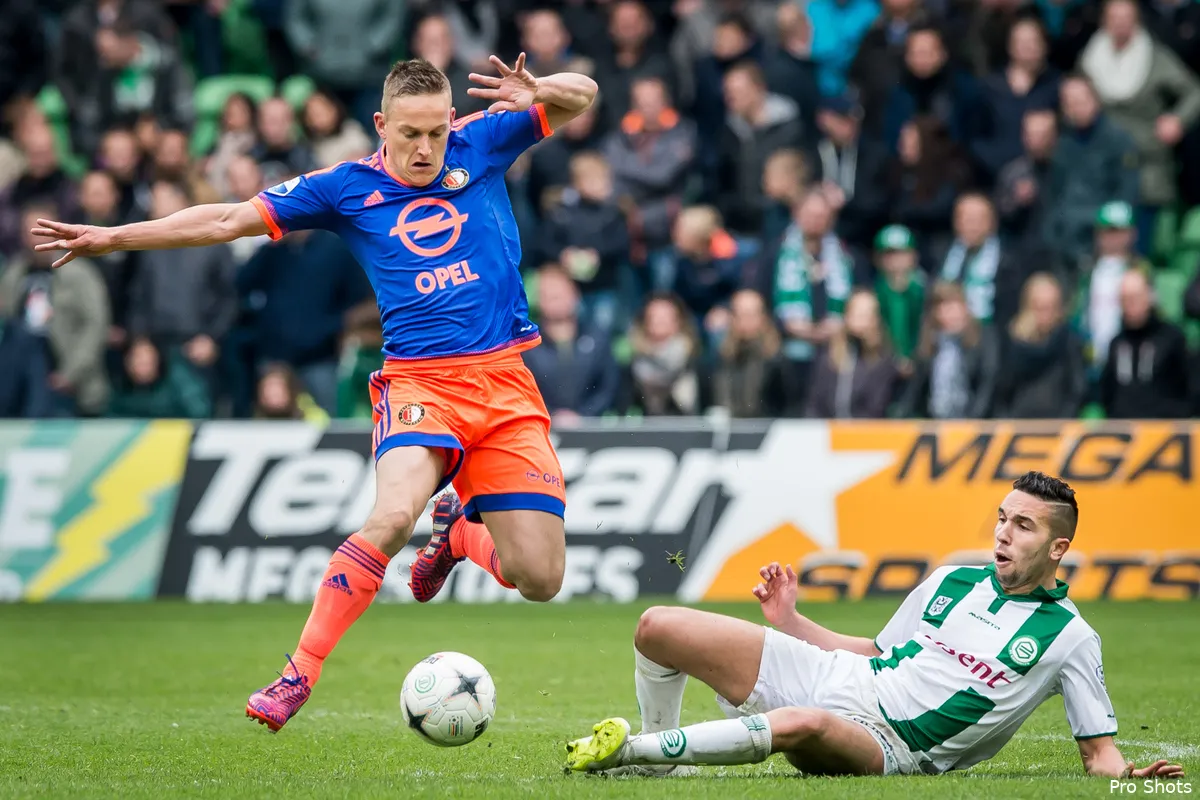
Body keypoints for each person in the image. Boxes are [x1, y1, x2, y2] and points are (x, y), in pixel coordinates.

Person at [30, 56, 598, 731]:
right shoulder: (343, 187)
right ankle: (299, 673)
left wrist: (542, 91)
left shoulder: (483, 139)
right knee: (389, 520)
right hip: (421, 385)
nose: (423, 150)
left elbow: (584, 97)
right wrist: (113, 238)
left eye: (435, 134)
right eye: (409, 134)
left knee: (540, 579)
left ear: (451, 123)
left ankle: (458, 538)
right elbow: (225, 221)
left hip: (505, 384)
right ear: (382, 124)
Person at [564, 471, 1186, 782]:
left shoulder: (1071, 638)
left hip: (889, 743)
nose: (1003, 532)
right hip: (843, 676)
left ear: (1058, 548)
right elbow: (876, 651)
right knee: (657, 625)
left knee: (803, 724)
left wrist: (1146, 787)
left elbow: (1100, 757)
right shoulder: (952, 579)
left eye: (1024, 526)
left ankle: (625, 753)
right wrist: (791, 621)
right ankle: (657, 764)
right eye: (1002, 518)